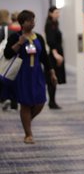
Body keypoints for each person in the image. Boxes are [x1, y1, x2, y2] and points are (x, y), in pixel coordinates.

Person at [4, 10, 57, 144]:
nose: (33, 23)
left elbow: (44, 57)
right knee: (26, 104)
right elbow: (7, 54)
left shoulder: (38, 37)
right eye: (30, 21)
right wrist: (19, 43)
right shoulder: (15, 36)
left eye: (34, 20)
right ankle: (28, 134)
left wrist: (51, 72)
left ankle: (26, 121)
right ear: (22, 22)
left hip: (37, 74)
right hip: (22, 74)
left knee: (40, 101)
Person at [45, 6, 66, 109]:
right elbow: (50, 41)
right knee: (52, 78)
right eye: (56, 12)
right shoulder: (49, 25)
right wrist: (56, 54)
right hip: (54, 54)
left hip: (57, 52)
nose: (58, 14)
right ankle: (51, 102)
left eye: (58, 12)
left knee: (55, 78)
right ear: (50, 13)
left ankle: (52, 101)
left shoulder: (55, 24)